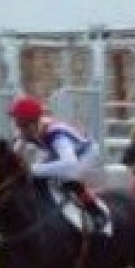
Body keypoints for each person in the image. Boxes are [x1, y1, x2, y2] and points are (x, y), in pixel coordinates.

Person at [8, 94, 108, 232]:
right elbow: (15, 155)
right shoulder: (29, 129)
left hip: (86, 153)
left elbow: (69, 164)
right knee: (38, 175)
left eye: (21, 125)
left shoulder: (56, 134)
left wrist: (32, 169)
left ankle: (96, 212)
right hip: (61, 153)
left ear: (32, 123)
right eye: (17, 124)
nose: (19, 129)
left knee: (68, 177)